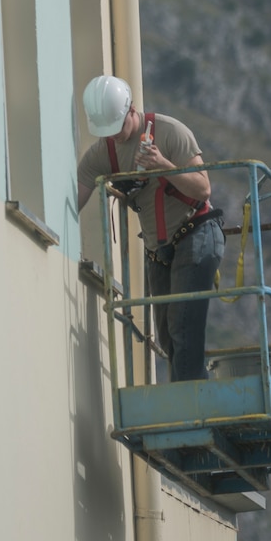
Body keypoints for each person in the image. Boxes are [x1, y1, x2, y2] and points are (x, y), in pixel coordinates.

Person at [75, 74, 224, 382]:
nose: (113, 136)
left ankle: (191, 407)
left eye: (117, 127)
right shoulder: (103, 154)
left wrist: (163, 166)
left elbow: (203, 189)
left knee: (184, 329)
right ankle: (193, 399)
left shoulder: (170, 133)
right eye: (106, 131)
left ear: (131, 110)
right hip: (159, 250)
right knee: (169, 337)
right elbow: (76, 195)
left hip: (195, 234)